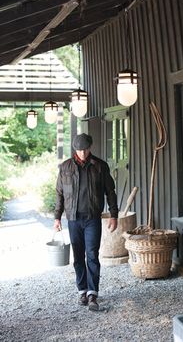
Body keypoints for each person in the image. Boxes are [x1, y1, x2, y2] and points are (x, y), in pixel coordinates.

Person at [54, 133, 118, 311]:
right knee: (78, 256)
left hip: (92, 219)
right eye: (79, 150)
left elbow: (110, 191)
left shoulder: (100, 166)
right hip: (73, 219)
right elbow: (59, 193)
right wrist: (57, 217)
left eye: (86, 149)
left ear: (90, 148)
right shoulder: (65, 167)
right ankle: (82, 290)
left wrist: (114, 215)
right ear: (75, 149)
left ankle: (92, 294)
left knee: (92, 254)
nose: (83, 153)